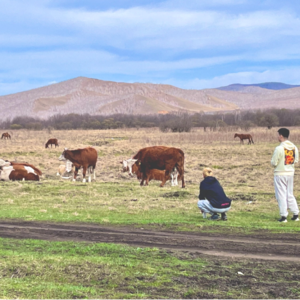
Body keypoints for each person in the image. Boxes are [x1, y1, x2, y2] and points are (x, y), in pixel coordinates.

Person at [271, 128, 299, 222]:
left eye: (278, 135)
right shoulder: (294, 147)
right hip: (290, 173)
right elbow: (296, 160)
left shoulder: (279, 148)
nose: (278, 136)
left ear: (281, 136)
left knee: (281, 194)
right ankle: (295, 213)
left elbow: (274, 162)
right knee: (289, 194)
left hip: (280, 173)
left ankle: (283, 216)